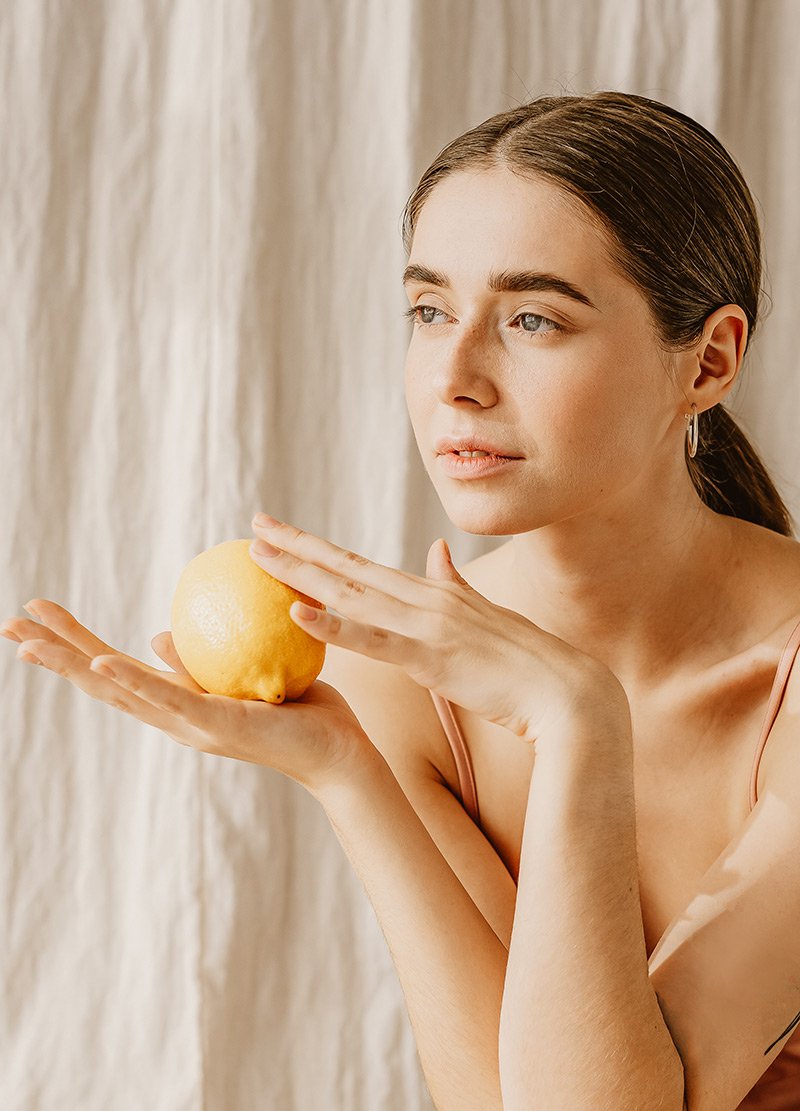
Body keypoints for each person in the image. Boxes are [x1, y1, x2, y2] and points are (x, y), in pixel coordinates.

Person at [4, 90, 800, 1109]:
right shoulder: (396, 683)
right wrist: (346, 774)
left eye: (531, 319)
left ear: (708, 359)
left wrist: (578, 727)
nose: (453, 377)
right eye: (428, 310)